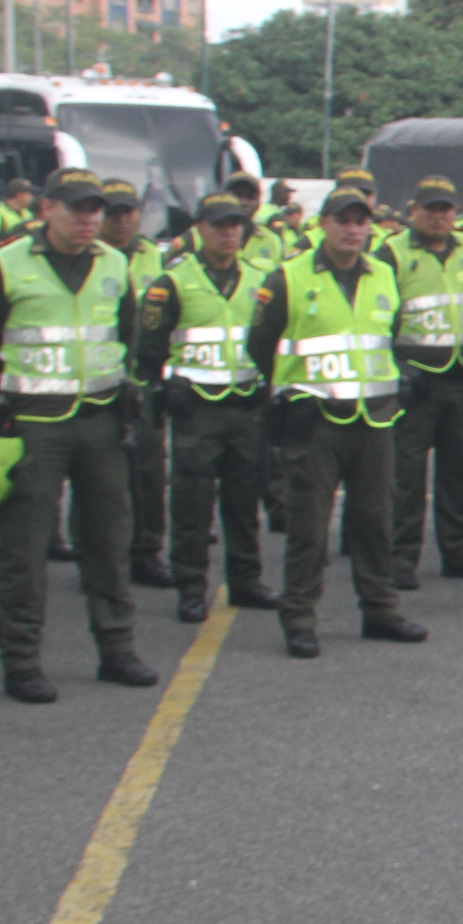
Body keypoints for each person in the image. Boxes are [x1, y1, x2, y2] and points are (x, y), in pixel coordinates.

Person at [0, 168, 158, 701]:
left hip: (101, 420)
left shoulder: (114, 263)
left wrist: (127, 394)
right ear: (47, 209)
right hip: (33, 423)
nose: (89, 219)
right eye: (77, 209)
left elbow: (127, 336)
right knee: (24, 549)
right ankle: (22, 659)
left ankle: (117, 648)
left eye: (96, 210)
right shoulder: (5, 264)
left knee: (109, 541)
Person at [245, 188, 427, 659]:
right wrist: (291, 391)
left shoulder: (383, 274)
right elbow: (260, 344)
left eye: (360, 221)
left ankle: (380, 610)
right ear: (323, 224)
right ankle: (300, 617)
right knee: (309, 527)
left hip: (374, 418)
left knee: (374, 521)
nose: (352, 229)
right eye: (343, 220)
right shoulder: (288, 277)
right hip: (316, 421)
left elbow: (388, 338)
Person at [132, 193, 277, 623]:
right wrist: (162, 389)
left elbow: (272, 340)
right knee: (192, 504)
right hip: (196, 410)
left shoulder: (260, 278)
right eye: (218, 225)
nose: (229, 233)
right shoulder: (173, 282)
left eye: (235, 224)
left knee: (244, 500)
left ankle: (246, 580)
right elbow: (149, 349)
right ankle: (191, 586)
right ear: (199, 229)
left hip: (245, 405)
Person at [379, 176, 463, 589]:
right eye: (429, 208)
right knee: (406, 476)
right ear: (413, 211)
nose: (437, 216)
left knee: (461, 472)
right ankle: (400, 557)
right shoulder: (391, 253)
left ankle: (459, 551)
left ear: (456, 212)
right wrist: (398, 369)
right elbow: (375, 318)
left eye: (445, 209)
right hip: (416, 384)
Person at [100, 179, 175, 585]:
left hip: (142, 380)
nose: (122, 219)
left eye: (128, 211)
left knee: (148, 470)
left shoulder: (154, 256)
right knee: (100, 476)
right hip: (98, 382)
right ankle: (99, 554)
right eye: (112, 212)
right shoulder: (90, 256)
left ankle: (147, 550)